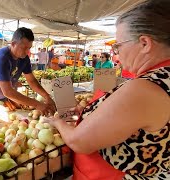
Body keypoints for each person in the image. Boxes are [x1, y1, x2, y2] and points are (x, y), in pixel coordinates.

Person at [43, 0, 170, 179]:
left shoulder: (146, 88)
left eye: (118, 46)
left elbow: (78, 142)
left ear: (144, 44)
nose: (116, 54)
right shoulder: (162, 78)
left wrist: (58, 123)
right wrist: (88, 112)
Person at [0, 27, 56, 115]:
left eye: (29, 48)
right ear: (13, 43)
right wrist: (37, 104)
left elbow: (31, 81)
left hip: (2, 96)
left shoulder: (24, 58)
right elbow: (8, 92)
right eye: (24, 48)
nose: (27, 52)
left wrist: (47, 97)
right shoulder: (1, 58)